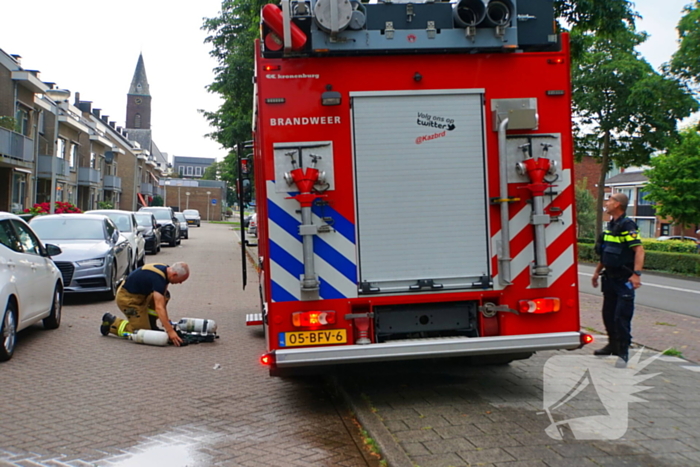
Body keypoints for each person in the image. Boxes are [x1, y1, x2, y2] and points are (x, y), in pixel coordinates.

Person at [591, 193, 645, 368]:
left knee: (621, 317)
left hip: (623, 279)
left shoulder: (627, 225)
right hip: (609, 277)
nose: (606, 203)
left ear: (618, 204)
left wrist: (636, 274)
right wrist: (597, 272)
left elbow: (639, 250)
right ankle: (612, 345)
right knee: (608, 315)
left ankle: (623, 352)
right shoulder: (611, 225)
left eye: (610, 200)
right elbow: (607, 252)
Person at [100, 262, 190, 346]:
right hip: (128, 299)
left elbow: (161, 300)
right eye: (180, 280)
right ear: (174, 274)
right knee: (142, 333)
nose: (180, 283)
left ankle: (151, 324)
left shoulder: (165, 271)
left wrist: (166, 321)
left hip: (142, 296)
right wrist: (170, 331)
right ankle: (111, 323)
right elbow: (159, 307)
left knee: (165, 295)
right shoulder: (159, 279)